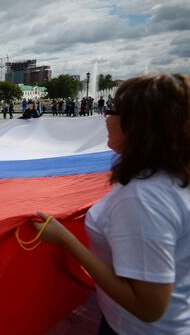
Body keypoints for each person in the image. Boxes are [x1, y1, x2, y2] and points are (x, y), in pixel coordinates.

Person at [32, 74, 190, 334]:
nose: (105, 117)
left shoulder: (144, 198)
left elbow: (149, 307)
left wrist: (67, 240)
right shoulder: (173, 176)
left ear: (140, 125)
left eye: (113, 110)